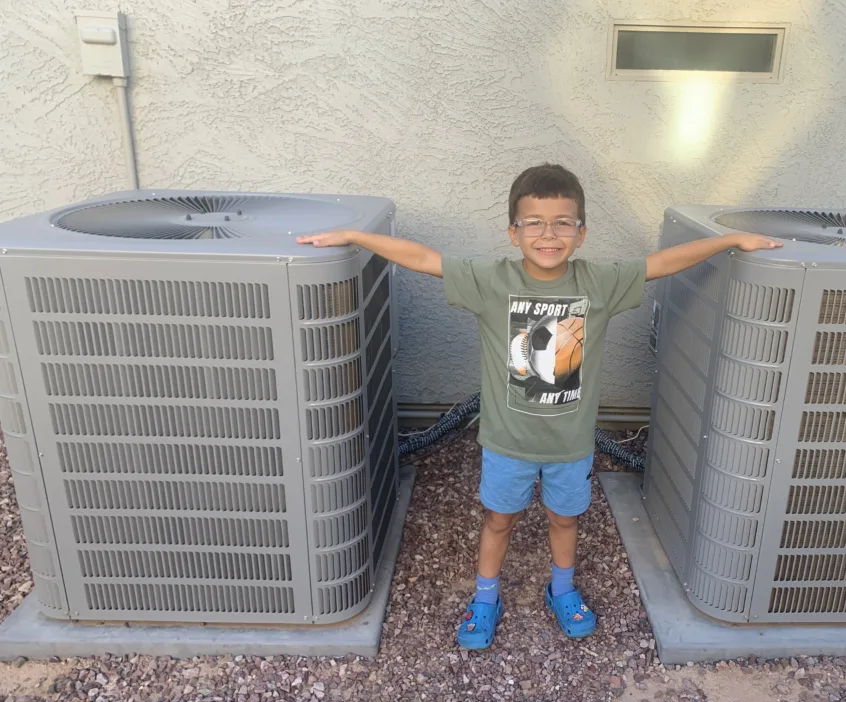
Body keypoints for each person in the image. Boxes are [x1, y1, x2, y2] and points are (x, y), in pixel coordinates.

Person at [298, 164, 781, 650]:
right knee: (498, 520)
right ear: (513, 233)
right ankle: (486, 598)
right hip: (508, 444)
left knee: (565, 519)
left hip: (570, 445)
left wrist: (730, 240)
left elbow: (663, 263)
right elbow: (423, 258)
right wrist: (354, 235)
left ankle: (562, 590)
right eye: (534, 222)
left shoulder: (602, 283)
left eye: (562, 222)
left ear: (581, 232)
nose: (548, 234)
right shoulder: (490, 281)